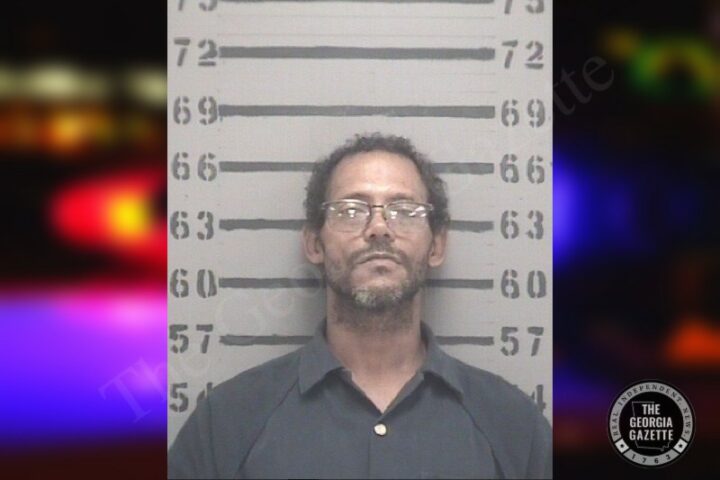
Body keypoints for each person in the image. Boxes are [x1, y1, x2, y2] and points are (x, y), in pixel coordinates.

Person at [168, 133, 552, 479]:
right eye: (351, 210)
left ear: (436, 246)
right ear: (314, 244)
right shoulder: (227, 422)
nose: (379, 228)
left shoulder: (514, 427)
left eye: (405, 211)